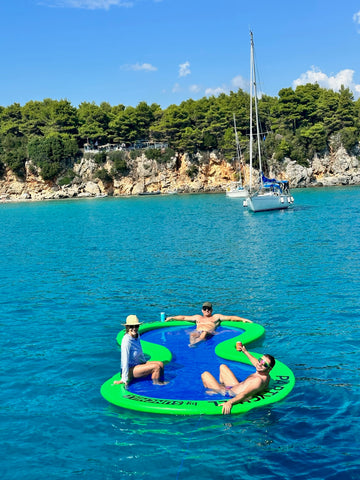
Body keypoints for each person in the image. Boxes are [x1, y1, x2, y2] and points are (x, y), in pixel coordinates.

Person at [201, 342, 275, 414]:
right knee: (223, 367)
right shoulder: (265, 374)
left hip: (229, 394)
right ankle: (219, 386)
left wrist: (229, 402)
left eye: (264, 364)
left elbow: (244, 394)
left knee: (205, 375)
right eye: (260, 360)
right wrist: (245, 351)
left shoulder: (258, 380)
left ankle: (214, 391)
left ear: (269, 369)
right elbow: (256, 362)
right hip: (235, 386)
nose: (260, 364)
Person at [113, 315, 168, 388]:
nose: (134, 329)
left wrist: (145, 363)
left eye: (136, 326)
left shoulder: (137, 335)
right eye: (131, 327)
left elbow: (140, 351)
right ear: (127, 327)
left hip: (137, 364)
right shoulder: (126, 341)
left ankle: (159, 380)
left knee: (160, 364)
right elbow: (124, 360)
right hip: (130, 370)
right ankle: (156, 385)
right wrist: (124, 379)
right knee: (156, 367)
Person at [165, 301, 252, 345]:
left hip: (209, 332)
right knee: (192, 334)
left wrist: (242, 319)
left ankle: (195, 344)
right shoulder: (198, 317)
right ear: (202, 310)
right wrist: (172, 317)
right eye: (205, 308)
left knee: (204, 333)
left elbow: (230, 317)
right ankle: (192, 344)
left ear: (212, 310)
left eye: (209, 309)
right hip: (198, 331)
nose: (207, 310)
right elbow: (183, 317)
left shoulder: (216, 317)